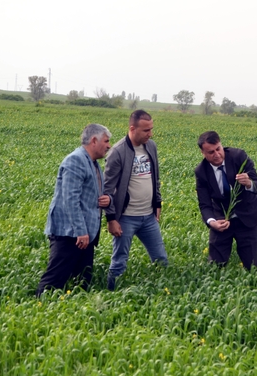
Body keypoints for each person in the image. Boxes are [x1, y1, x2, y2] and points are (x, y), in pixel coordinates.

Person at [36, 124, 112, 296]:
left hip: (85, 234)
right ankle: (39, 308)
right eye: (106, 141)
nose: (109, 145)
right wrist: (80, 231)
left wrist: (108, 199)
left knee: (82, 282)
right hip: (70, 234)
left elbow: (97, 193)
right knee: (55, 279)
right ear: (94, 140)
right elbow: (70, 200)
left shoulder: (92, 163)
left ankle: (73, 314)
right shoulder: (76, 160)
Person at [103, 110, 168, 290]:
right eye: (146, 130)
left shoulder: (151, 147)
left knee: (161, 259)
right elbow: (107, 189)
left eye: (151, 129)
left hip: (148, 217)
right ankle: (112, 293)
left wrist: (157, 204)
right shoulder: (117, 152)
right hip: (125, 218)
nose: (150, 134)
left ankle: (165, 291)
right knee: (119, 262)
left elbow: (155, 178)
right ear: (133, 128)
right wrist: (111, 219)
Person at [195, 131, 257, 270]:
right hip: (222, 220)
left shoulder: (239, 157)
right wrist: (212, 222)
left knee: (252, 267)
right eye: (211, 152)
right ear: (203, 153)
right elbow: (204, 204)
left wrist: (248, 183)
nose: (217, 155)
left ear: (222, 145)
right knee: (216, 266)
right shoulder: (201, 171)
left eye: (218, 149)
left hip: (247, 217)